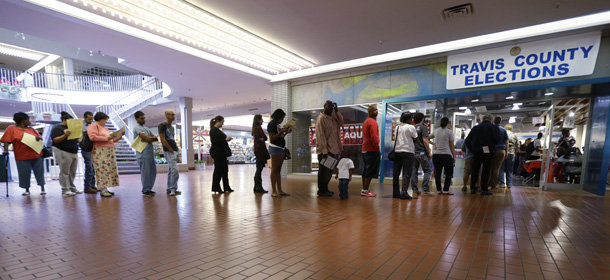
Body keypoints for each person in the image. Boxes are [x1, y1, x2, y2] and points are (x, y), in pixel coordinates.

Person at [1, 112, 45, 196]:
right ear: (22, 121)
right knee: (24, 173)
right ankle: (27, 190)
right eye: (27, 120)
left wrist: (38, 138)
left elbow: (40, 137)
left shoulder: (31, 129)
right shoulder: (11, 129)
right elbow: (6, 140)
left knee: (39, 172)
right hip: (22, 155)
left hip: (36, 154)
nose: (29, 121)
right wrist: (6, 150)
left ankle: (42, 188)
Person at [87, 112, 124, 197]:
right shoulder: (92, 126)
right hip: (100, 151)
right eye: (105, 120)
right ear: (101, 119)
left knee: (108, 169)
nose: (106, 122)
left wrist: (119, 136)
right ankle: (103, 189)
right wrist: (107, 137)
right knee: (102, 169)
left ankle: (106, 188)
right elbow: (93, 137)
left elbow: (111, 140)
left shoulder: (104, 128)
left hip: (108, 151)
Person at [464, 114, 501, 195]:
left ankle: (473, 188)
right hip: (489, 152)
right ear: (491, 119)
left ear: (483, 119)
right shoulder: (494, 127)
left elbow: (467, 141)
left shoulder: (475, 128)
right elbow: (497, 140)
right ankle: (484, 189)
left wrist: (472, 149)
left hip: (477, 152)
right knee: (486, 170)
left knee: (475, 170)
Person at [315, 100, 343, 197]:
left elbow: (341, 122)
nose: (330, 109)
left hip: (333, 149)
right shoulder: (321, 119)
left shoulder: (333, 118)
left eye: (332, 108)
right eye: (329, 107)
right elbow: (320, 136)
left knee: (329, 172)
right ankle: (321, 190)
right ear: (324, 107)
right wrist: (324, 151)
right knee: (323, 172)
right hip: (325, 151)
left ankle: (325, 188)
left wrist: (337, 111)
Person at [51, 111, 82, 196]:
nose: (72, 123)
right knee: (65, 172)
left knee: (72, 172)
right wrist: (65, 135)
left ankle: (71, 187)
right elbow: (56, 140)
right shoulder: (57, 128)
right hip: (63, 151)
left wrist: (80, 136)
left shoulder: (71, 128)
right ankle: (65, 189)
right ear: (65, 120)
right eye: (70, 121)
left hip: (74, 151)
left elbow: (77, 140)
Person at [392, 113, 418, 199]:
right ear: (408, 120)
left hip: (397, 151)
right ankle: (404, 192)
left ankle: (396, 193)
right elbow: (416, 139)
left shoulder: (397, 127)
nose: (412, 120)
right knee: (407, 173)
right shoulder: (411, 127)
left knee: (396, 173)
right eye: (411, 118)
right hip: (408, 151)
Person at [267, 109, 292, 197]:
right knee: (274, 170)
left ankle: (280, 190)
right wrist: (281, 131)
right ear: (278, 117)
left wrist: (286, 133)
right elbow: (272, 137)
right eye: (282, 118)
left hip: (280, 148)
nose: (282, 120)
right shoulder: (271, 124)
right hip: (275, 148)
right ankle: (274, 190)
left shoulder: (277, 125)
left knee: (278, 170)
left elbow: (280, 137)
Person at [133, 111, 158, 196]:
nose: (144, 120)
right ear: (136, 119)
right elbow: (148, 138)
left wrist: (151, 138)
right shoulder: (137, 128)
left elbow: (155, 137)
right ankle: (146, 190)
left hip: (150, 154)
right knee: (146, 173)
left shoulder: (146, 128)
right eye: (141, 118)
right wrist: (150, 138)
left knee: (152, 172)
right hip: (143, 154)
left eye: (144, 118)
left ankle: (149, 188)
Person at [430, 117, 456, 195]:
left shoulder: (436, 131)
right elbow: (452, 146)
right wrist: (454, 156)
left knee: (437, 172)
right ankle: (445, 190)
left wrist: (434, 144)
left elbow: (427, 138)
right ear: (448, 123)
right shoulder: (449, 132)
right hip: (446, 155)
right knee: (448, 173)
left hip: (436, 154)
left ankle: (438, 190)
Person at [411, 113, 434, 196]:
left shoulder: (412, 128)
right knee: (428, 170)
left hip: (413, 152)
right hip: (422, 152)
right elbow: (425, 140)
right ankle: (425, 189)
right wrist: (429, 152)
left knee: (414, 171)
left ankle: (414, 190)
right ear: (422, 119)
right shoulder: (423, 128)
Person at [158, 109, 181, 196]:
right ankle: (173, 189)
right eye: (171, 114)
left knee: (171, 170)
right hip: (169, 150)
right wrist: (169, 148)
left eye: (174, 114)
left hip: (174, 149)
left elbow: (171, 138)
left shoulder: (171, 127)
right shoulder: (162, 125)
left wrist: (176, 148)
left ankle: (170, 188)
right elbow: (162, 138)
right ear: (166, 115)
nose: (173, 116)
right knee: (175, 170)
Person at [209, 115, 234, 193]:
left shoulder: (217, 130)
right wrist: (226, 140)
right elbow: (215, 142)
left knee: (224, 170)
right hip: (218, 153)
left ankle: (226, 187)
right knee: (218, 170)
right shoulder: (214, 130)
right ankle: (216, 187)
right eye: (222, 122)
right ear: (218, 121)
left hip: (221, 153)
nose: (222, 124)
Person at [360, 105, 379, 197]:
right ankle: (365, 189)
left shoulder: (366, 121)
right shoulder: (372, 122)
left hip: (365, 149)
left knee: (366, 169)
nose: (377, 111)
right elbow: (374, 137)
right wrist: (377, 148)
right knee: (370, 170)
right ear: (370, 111)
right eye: (375, 110)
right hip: (371, 149)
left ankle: (364, 189)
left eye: (377, 110)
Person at [489, 116, 509, 190]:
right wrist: (506, 152)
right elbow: (506, 142)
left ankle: (488, 183)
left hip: (491, 150)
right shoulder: (503, 130)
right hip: (501, 150)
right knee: (496, 168)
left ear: (493, 121)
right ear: (500, 122)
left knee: (490, 167)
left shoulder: (490, 129)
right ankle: (494, 184)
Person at [252, 114, 269, 193]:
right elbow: (265, 138)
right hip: (260, 150)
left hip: (256, 150)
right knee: (260, 168)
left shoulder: (254, 128)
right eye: (261, 119)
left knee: (258, 168)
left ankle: (256, 186)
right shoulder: (259, 128)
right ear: (258, 120)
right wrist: (263, 138)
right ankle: (259, 187)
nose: (262, 121)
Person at [81, 111, 98, 193]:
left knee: (93, 167)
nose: (91, 121)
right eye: (89, 119)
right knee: (89, 166)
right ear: (84, 117)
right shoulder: (80, 125)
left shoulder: (93, 125)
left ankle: (92, 185)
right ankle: (87, 186)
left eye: (92, 119)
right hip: (86, 148)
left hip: (93, 148)